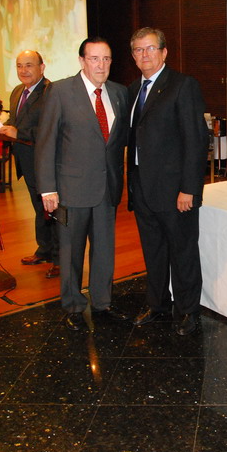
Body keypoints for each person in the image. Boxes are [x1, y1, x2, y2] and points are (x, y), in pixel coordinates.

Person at [35, 37, 130, 331]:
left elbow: (118, 143)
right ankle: (73, 306)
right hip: (70, 190)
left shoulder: (119, 93)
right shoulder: (61, 91)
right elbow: (46, 142)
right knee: (70, 252)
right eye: (94, 58)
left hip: (107, 189)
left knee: (104, 251)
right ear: (81, 61)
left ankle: (102, 303)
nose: (101, 65)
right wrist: (48, 188)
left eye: (106, 59)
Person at [127, 27, 208, 336]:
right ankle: (157, 304)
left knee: (183, 251)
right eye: (138, 50)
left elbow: (196, 141)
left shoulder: (183, 85)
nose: (144, 55)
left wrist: (189, 189)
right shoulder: (133, 90)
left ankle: (188, 310)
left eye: (150, 48)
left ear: (164, 52)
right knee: (154, 251)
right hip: (142, 187)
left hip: (175, 191)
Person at [0, 50, 58, 279]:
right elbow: (15, 122)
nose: (23, 70)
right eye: (19, 66)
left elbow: (52, 129)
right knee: (39, 209)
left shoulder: (51, 91)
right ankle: (44, 250)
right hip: (26, 161)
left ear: (42, 67)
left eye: (29, 65)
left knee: (53, 212)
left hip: (45, 162)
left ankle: (60, 259)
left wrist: (18, 132)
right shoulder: (17, 91)